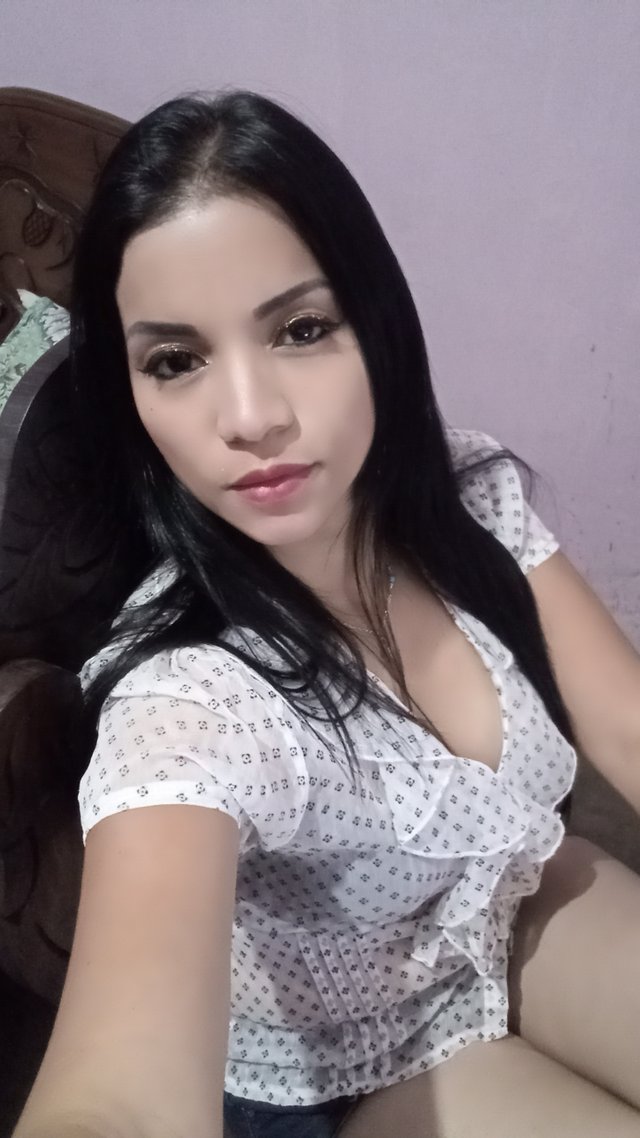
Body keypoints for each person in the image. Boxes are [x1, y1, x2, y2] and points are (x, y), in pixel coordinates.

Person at [13, 90, 640, 1138]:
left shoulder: (465, 498)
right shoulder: (188, 698)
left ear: (376, 324)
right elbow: (117, 1096)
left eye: (301, 329)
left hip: (506, 894)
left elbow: (624, 719)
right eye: (175, 360)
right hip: (335, 1067)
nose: (251, 416)